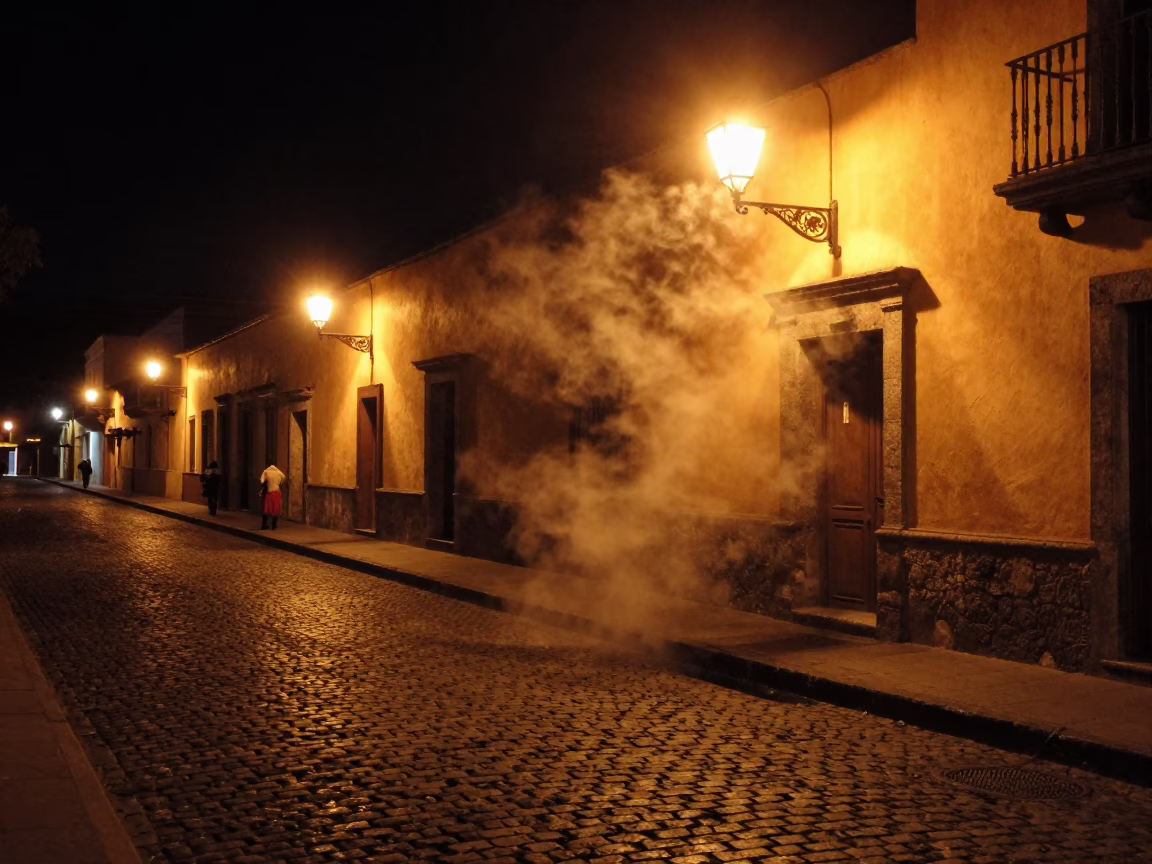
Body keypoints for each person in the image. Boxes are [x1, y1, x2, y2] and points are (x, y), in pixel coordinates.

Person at [259, 463, 286, 530]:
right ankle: (274, 525)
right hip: (277, 491)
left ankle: (264, 525)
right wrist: (280, 482)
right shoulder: (279, 472)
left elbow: (262, 481)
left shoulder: (266, 472)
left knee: (266, 508)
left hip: (269, 492)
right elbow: (283, 477)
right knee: (276, 508)